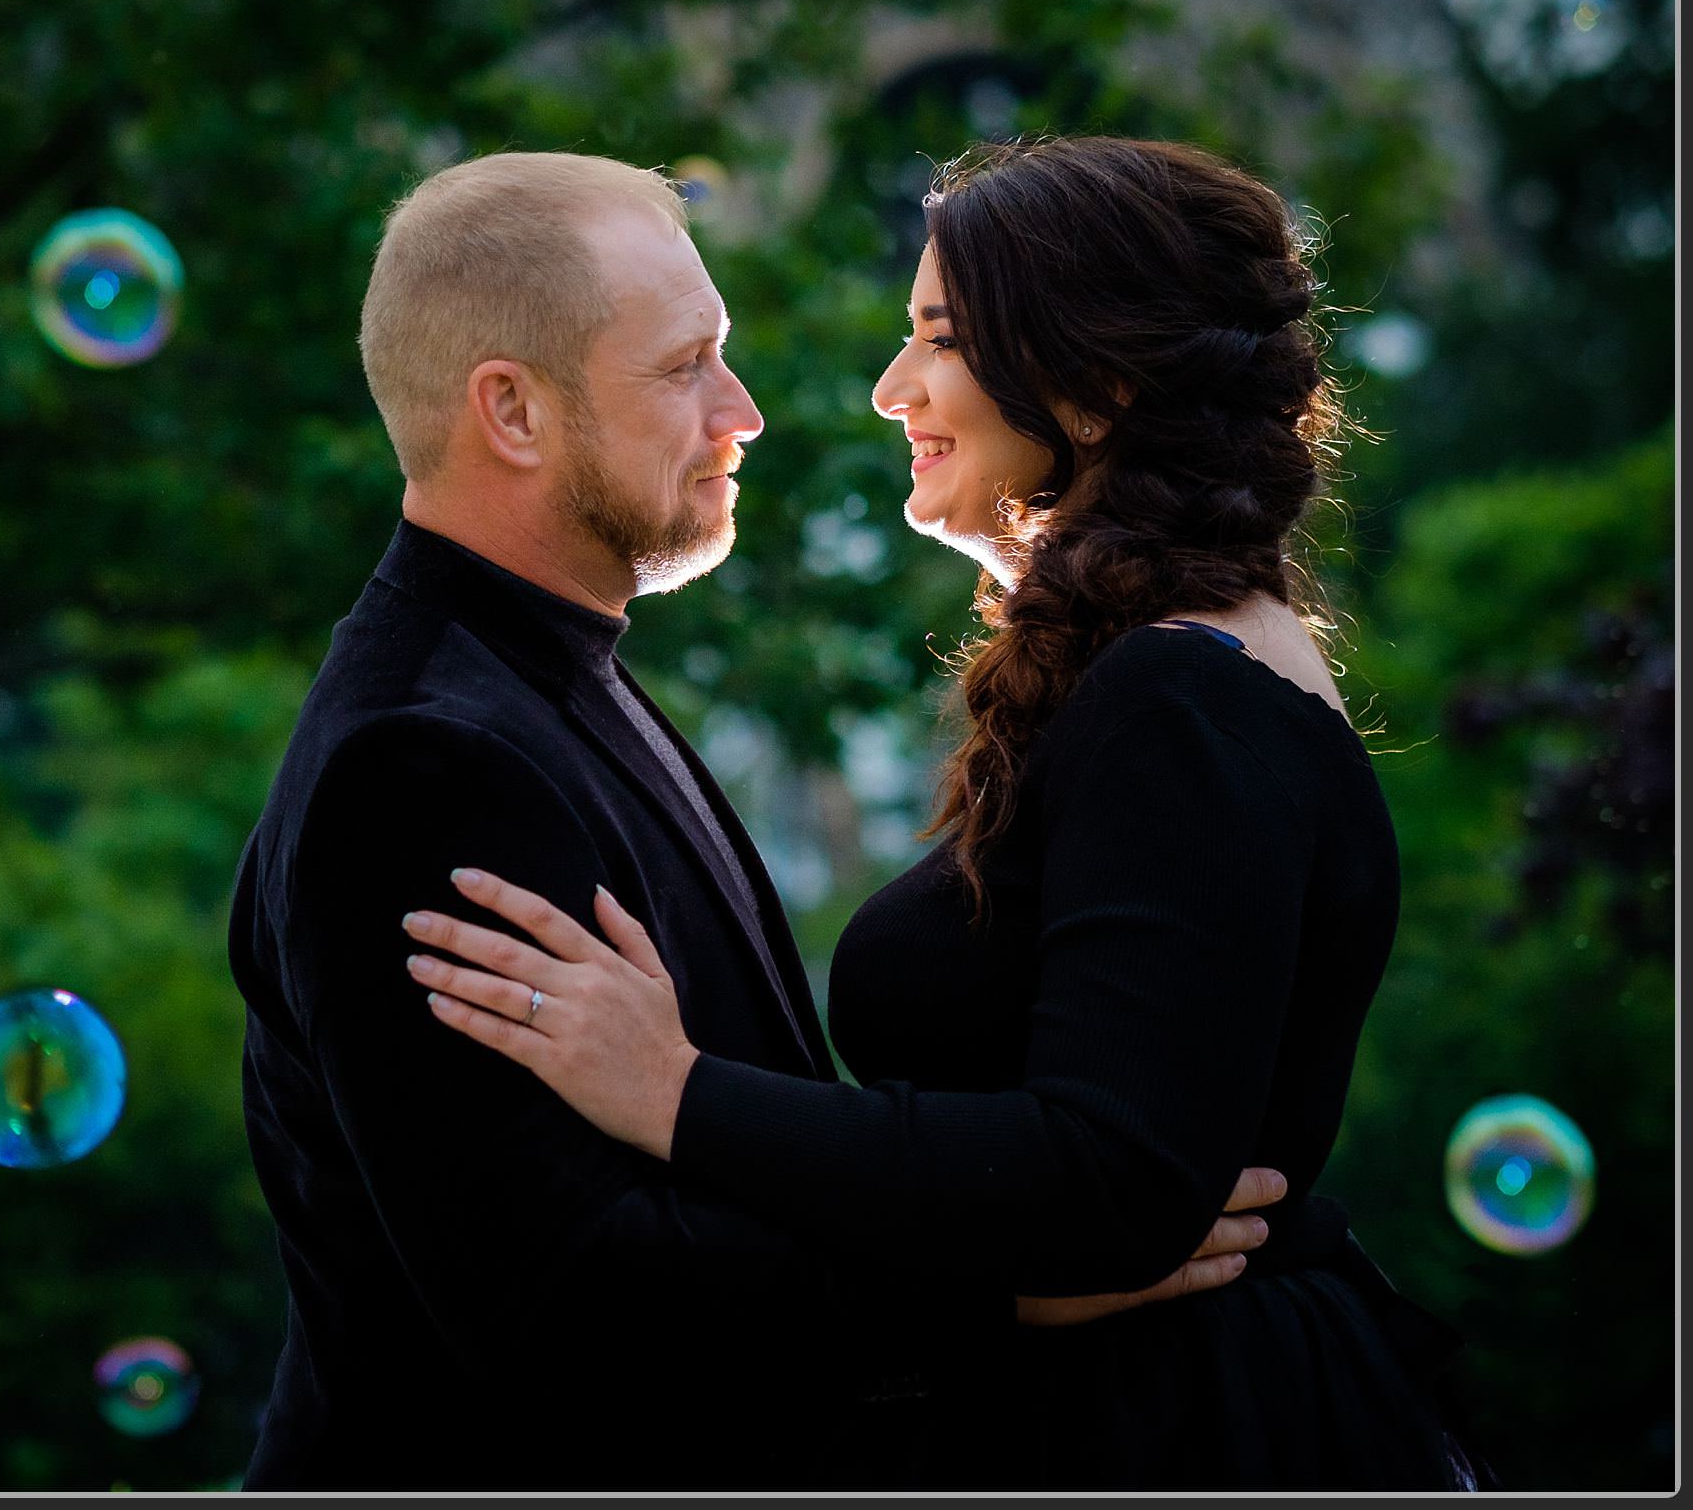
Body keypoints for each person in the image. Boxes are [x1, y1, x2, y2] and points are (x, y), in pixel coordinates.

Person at [403, 136, 1486, 1490]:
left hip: (1174, 1435)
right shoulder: (1172, 668)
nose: (889, 388)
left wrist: (675, 1091)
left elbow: (1110, 1178)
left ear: (1095, 384)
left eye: (941, 339)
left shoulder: (1182, 696)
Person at [229, 150, 1286, 1491]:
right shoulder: (423, 762)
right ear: (513, 411)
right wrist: (1008, 1285)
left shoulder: (548, 674)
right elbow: (573, 1306)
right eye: (686, 367)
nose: (746, 412)